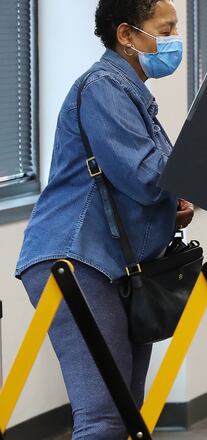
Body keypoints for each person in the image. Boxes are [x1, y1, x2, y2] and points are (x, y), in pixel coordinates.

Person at [15, 1, 192, 438]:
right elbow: (144, 176)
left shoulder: (131, 94)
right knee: (103, 417)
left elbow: (150, 181)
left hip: (113, 264)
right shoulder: (103, 88)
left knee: (127, 415)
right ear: (127, 35)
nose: (173, 41)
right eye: (164, 30)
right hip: (76, 258)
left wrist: (177, 200)